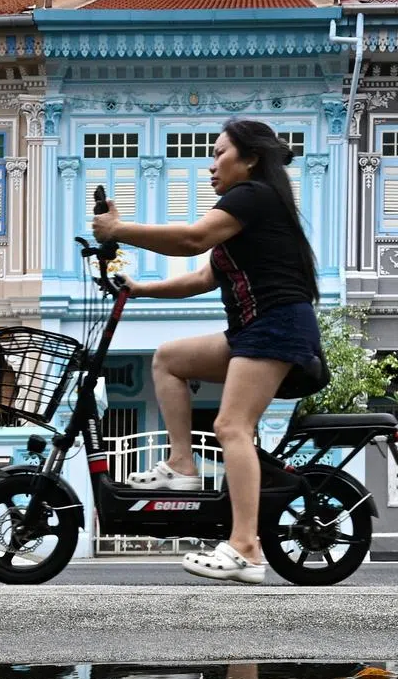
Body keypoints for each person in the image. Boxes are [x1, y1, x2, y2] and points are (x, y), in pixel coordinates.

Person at [92, 118, 323, 586]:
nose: (210, 164)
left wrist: (118, 228)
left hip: (275, 327)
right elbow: (201, 277)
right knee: (168, 358)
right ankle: (181, 465)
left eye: (219, 153)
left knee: (230, 425)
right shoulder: (242, 217)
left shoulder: (253, 196)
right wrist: (139, 289)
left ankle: (246, 547)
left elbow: (191, 239)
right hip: (250, 331)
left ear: (250, 158)